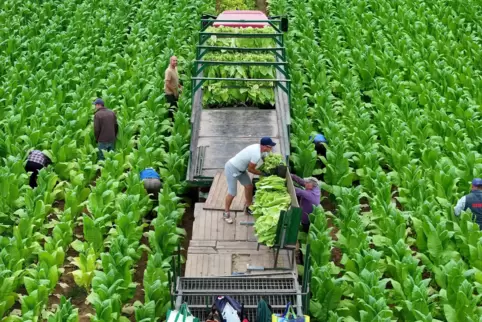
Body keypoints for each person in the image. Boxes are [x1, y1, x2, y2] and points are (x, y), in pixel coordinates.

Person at [223, 137, 276, 224]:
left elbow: (265, 159)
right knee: (232, 193)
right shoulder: (256, 154)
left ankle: (249, 207)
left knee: (249, 186)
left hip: (241, 169)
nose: (271, 148)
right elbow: (251, 169)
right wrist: (263, 173)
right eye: (270, 147)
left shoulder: (261, 150)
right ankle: (226, 213)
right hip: (232, 168)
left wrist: (272, 165)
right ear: (264, 146)